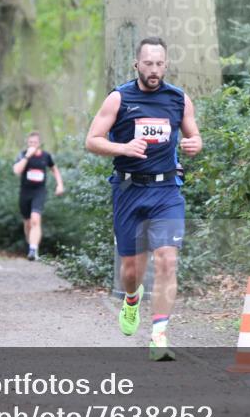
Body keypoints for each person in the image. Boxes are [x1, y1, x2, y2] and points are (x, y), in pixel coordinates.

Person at [85, 37, 202, 361]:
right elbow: (92, 140)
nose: (154, 69)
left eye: (159, 63)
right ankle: (132, 298)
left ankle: (159, 335)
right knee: (132, 269)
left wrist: (195, 144)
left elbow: (194, 135)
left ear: (166, 65)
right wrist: (123, 148)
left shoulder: (178, 99)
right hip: (128, 191)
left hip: (166, 191)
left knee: (167, 260)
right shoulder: (119, 98)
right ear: (137, 64)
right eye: (148, 63)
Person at [12, 131, 65, 261]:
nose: (32, 145)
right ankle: (31, 246)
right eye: (30, 142)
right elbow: (17, 171)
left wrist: (60, 184)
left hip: (39, 192)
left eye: (35, 142)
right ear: (27, 143)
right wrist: (27, 157)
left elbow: (54, 169)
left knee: (35, 219)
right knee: (28, 223)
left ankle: (33, 250)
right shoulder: (23, 155)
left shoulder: (46, 156)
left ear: (39, 143)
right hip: (25, 193)